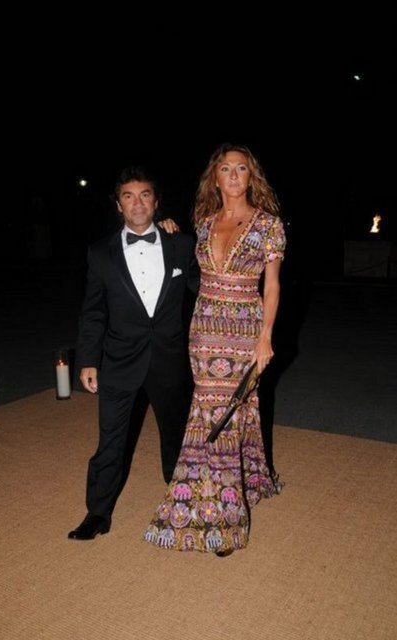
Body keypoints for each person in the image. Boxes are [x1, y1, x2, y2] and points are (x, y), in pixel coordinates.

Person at [144, 143, 286, 555]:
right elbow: (185, 265)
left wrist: (266, 336)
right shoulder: (204, 224)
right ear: (216, 178)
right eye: (226, 168)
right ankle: (242, 484)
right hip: (204, 329)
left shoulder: (268, 225)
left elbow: (272, 286)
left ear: (251, 177)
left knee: (230, 413)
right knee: (210, 410)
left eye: (242, 168)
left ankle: (226, 517)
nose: (234, 175)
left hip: (244, 329)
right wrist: (167, 231)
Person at [68, 166, 199, 541]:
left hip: (168, 359)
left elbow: (206, 290)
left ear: (156, 203)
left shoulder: (181, 244)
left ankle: (184, 505)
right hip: (119, 360)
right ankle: (97, 513)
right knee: (110, 440)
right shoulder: (100, 253)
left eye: (145, 195)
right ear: (118, 205)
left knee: (175, 438)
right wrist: (88, 359)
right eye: (128, 196)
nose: (137, 203)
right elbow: (94, 311)